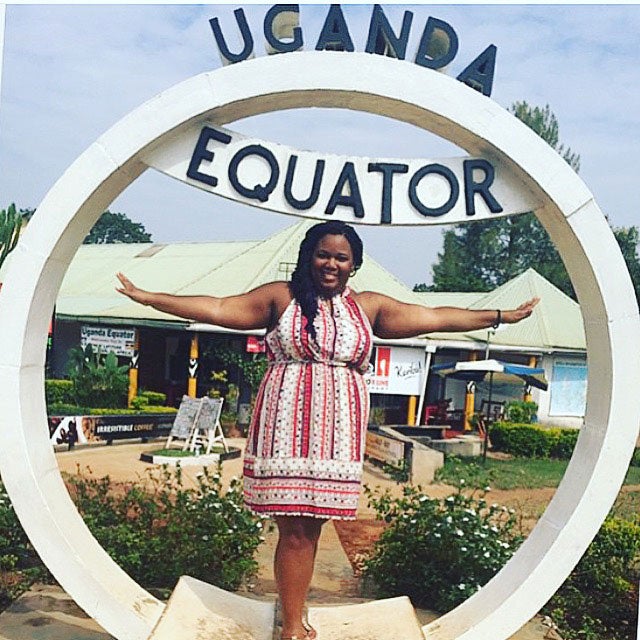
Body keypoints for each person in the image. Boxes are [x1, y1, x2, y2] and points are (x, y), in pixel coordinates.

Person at [116, 220, 538, 640]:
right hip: (286, 422)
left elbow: (434, 317)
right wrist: (150, 298)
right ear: (308, 256)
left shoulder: (368, 307)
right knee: (294, 529)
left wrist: (500, 316)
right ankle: (293, 627)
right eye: (323, 254)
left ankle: (294, 614)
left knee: (312, 527)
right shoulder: (281, 297)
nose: (331, 264)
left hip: (337, 427)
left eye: (341, 257)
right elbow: (219, 307)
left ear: (354, 264)